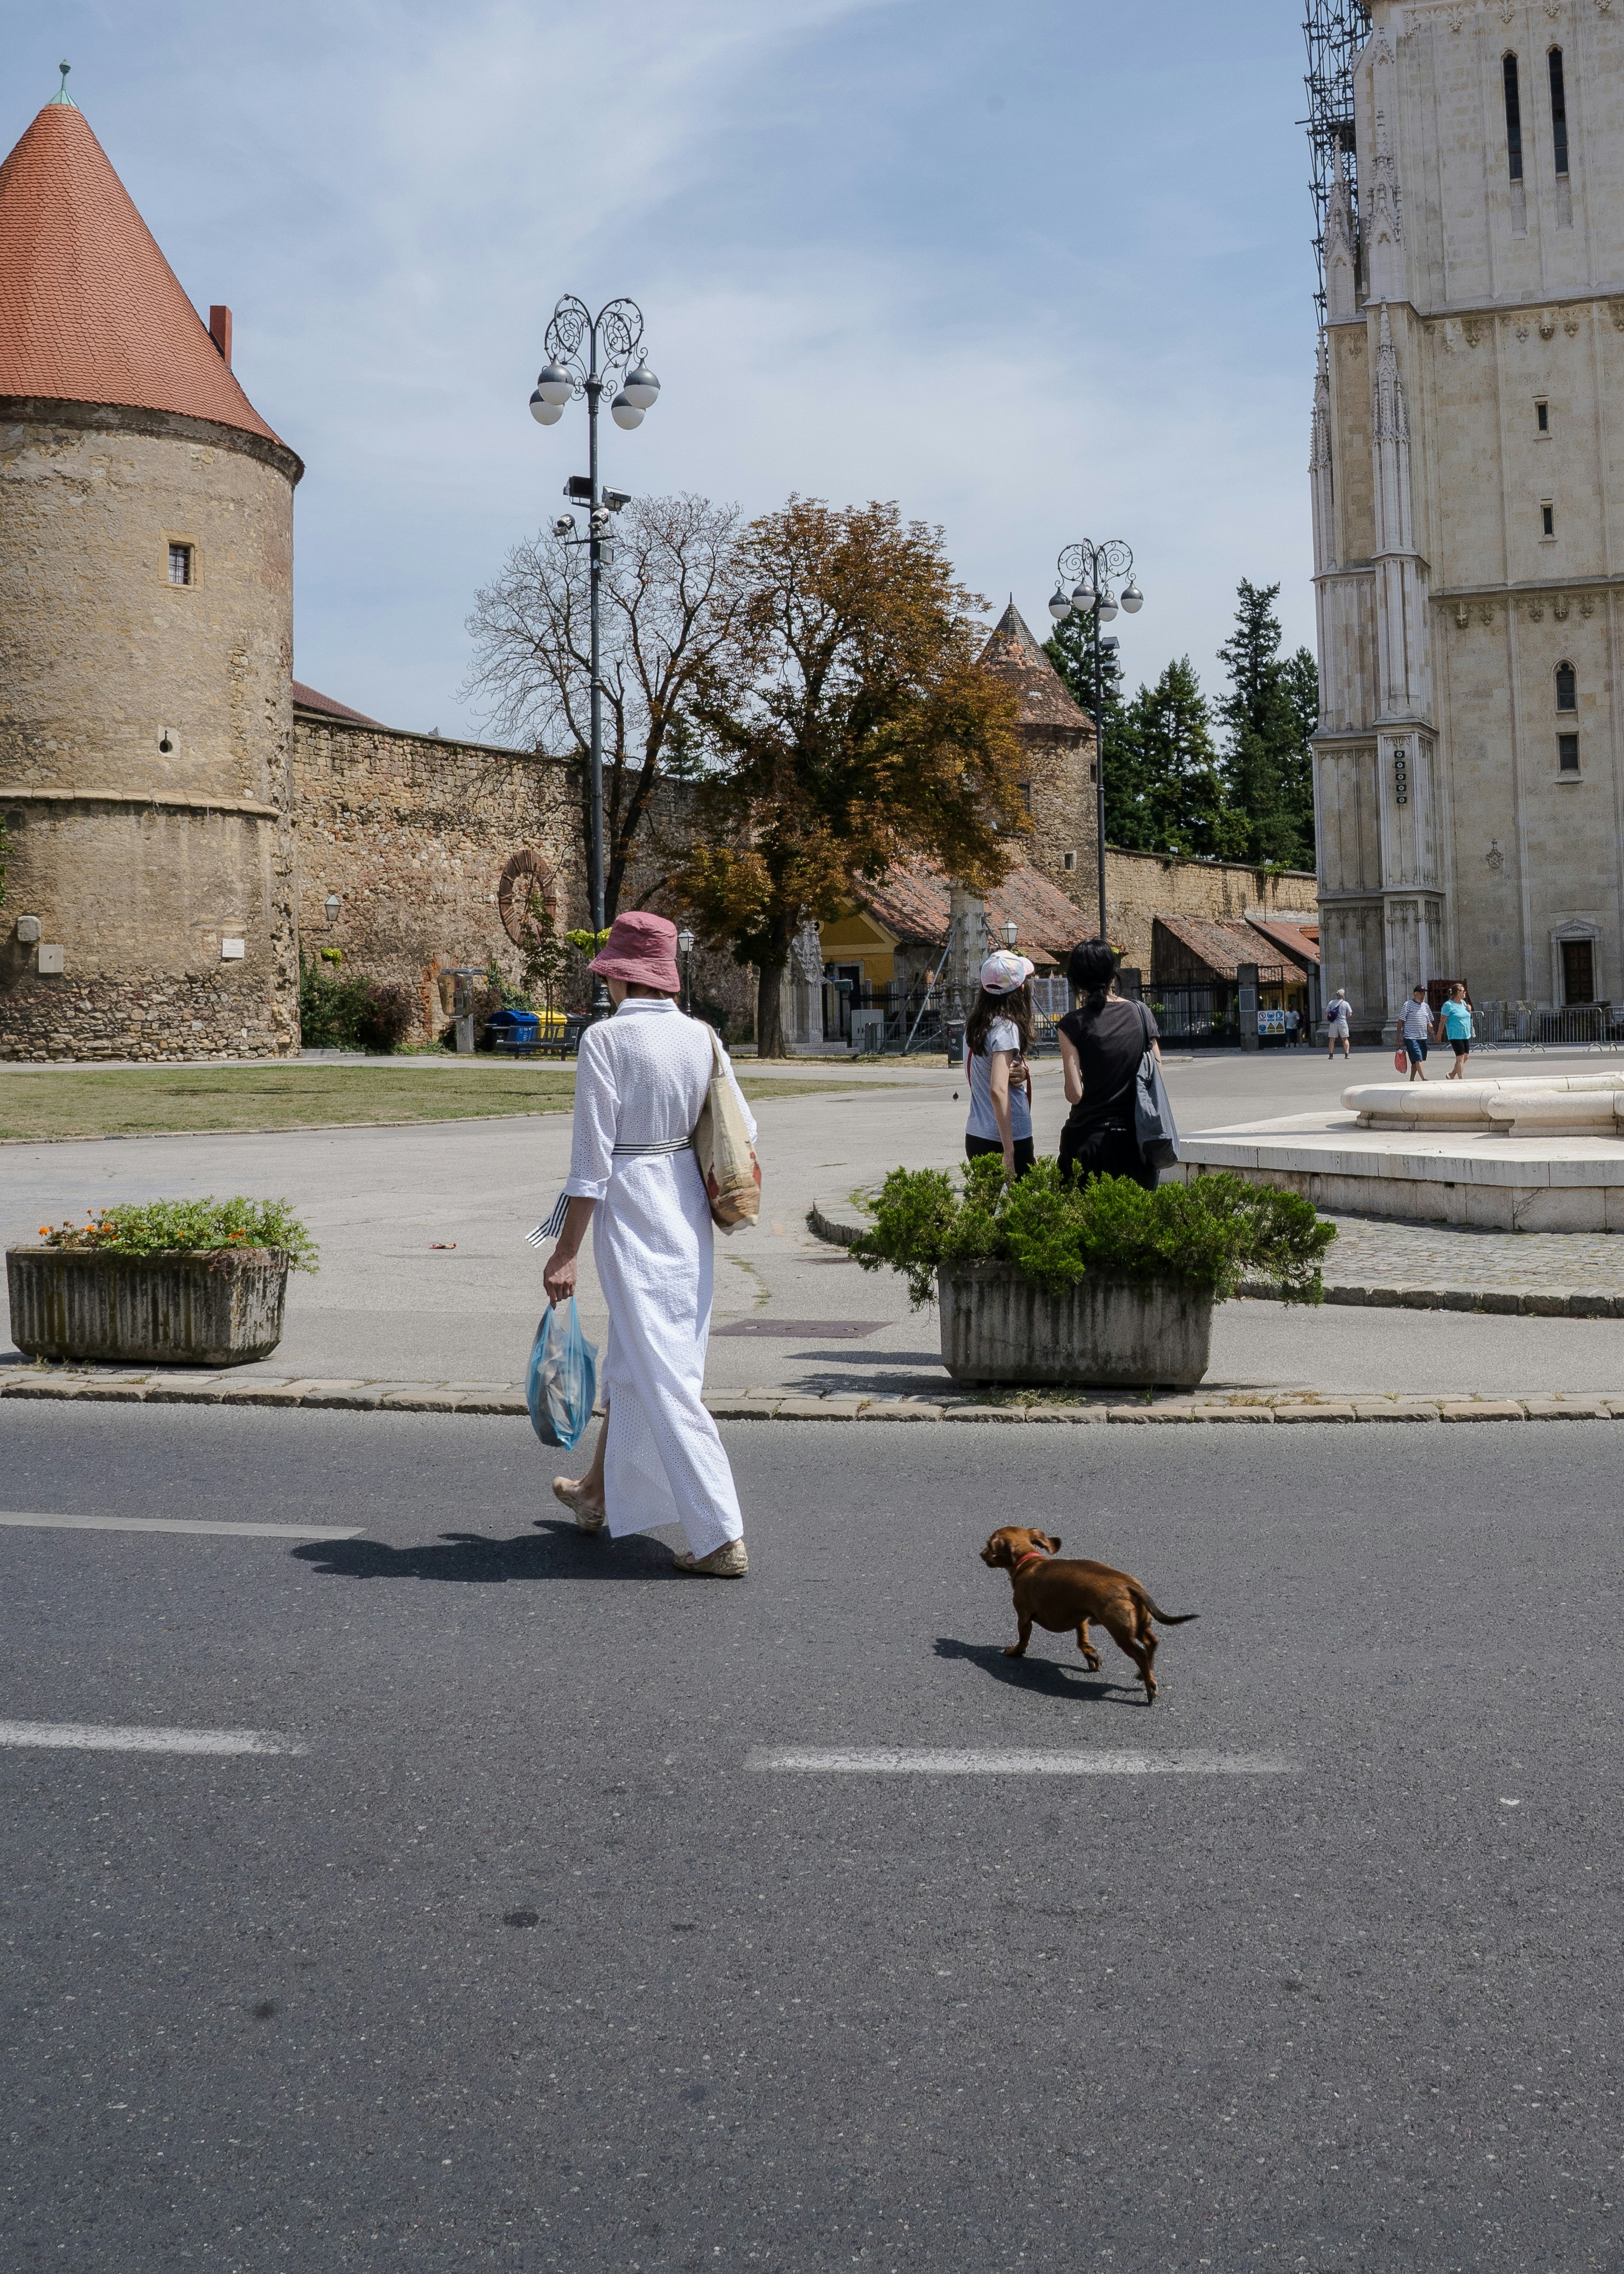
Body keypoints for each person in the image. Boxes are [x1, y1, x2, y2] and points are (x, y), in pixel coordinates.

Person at [544, 911, 754, 1578]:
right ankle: (597, 1492)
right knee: (646, 1361)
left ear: (619, 974)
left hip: (632, 1207)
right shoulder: (703, 1037)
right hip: (688, 1206)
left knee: (665, 1375)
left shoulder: (606, 1041)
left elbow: (590, 1162)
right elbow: (743, 1126)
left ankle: (721, 1533)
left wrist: (565, 1250)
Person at [1055, 937, 1161, 1191]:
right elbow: (1157, 1076)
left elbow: (1075, 1094)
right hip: (1136, 1141)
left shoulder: (1072, 1024)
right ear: (1114, 975)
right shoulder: (1141, 1013)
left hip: (1088, 1141)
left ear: (1077, 982)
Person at [964, 950, 1036, 1178]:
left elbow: (981, 1074)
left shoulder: (976, 1025)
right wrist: (1009, 1151)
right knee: (1017, 1211)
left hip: (977, 1133)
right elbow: (997, 1089)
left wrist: (1020, 1072)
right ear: (1020, 990)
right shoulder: (1007, 1028)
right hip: (1007, 1137)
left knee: (988, 1209)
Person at [1440, 981, 1474, 1078]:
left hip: (1465, 1034)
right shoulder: (1448, 1005)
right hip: (1455, 1034)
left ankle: (1452, 1074)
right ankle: (1461, 1079)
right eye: (1463, 991)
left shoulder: (1463, 1003)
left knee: (1466, 1056)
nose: (1465, 993)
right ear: (1458, 993)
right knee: (1460, 1057)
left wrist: (1470, 1010)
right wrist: (1439, 1034)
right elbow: (1442, 1021)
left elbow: (1467, 1016)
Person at [1401, 985, 1435, 1081]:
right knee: (1418, 1058)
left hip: (1422, 1037)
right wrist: (1398, 1037)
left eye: (1424, 994)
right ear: (1415, 994)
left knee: (1416, 1060)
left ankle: (1411, 1080)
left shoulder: (1426, 1006)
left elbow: (1429, 1022)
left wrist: (1433, 1033)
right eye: (1421, 993)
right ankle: (1424, 1078)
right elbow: (1401, 1021)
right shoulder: (1407, 1005)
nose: (1423, 995)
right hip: (1411, 1037)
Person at [1326, 988, 1353, 1061]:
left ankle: (1331, 1055)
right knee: (1345, 1039)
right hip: (1343, 1023)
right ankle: (1347, 1054)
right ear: (1343, 996)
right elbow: (1350, 1014)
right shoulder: (1346, 1004)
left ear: (1336, 995)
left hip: (1333, 1023)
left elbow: (1327, 1012)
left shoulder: (1331, 1003)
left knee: (1332, 1039)